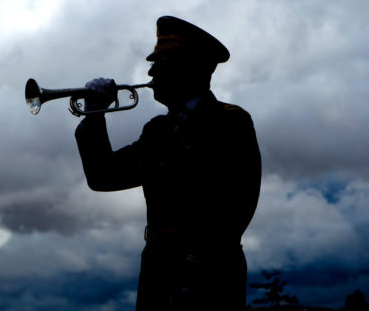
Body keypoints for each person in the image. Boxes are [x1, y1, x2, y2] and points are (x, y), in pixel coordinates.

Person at [74, 16, 261, 310]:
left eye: (159, 63)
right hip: (158, 264)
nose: (150, 72)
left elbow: (240, 203)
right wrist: (94, 116)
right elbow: (103, 177)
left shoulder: (230, 121)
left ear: (186, 67)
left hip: (209, 271)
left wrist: (197, 264)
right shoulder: (157, 130)